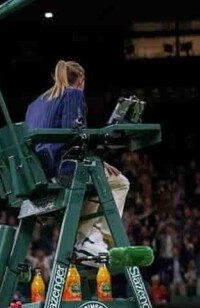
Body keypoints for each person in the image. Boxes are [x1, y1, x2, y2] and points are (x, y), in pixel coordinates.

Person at [24, 60, 131, 264]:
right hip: (64, 169)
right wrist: (94, 159)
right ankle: (92, 239)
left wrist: (94, 160)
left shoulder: (35, 104)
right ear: (81, 80)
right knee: (120, 183)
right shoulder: (73, 94)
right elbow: (73, 135)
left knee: (93, 183)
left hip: (39, 174)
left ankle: (84, 242)